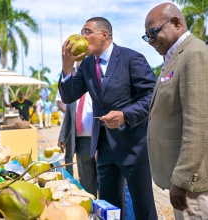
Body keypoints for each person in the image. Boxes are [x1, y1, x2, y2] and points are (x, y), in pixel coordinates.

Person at [59, 17, 157, 219]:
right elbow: (69, 96)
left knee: (142, 206)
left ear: (104, 34)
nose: (82, 36)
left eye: (87, 31)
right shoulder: (86, 65)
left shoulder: (131, 58)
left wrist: (125, 115)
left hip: (133, 146)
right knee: (109, 207)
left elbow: (153, 95)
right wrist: (67, 66)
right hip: (103, 147)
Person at [144, 3, 208, 219]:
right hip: (180, 180)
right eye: (147, 37)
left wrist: (183, 178)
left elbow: (199, 122)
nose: (151, 41)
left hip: (192, 184)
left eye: (154, 32)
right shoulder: (173, 58)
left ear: (176, 22)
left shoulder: (194, 53)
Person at [58, 92, 97, 197]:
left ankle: (105, 209)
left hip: (99, 141)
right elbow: (68, 118)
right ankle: (91, 205)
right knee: (86, 180)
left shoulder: (97, 89)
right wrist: (62, 137)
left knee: (104, 180)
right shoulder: (74, 94)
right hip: (82, 143)